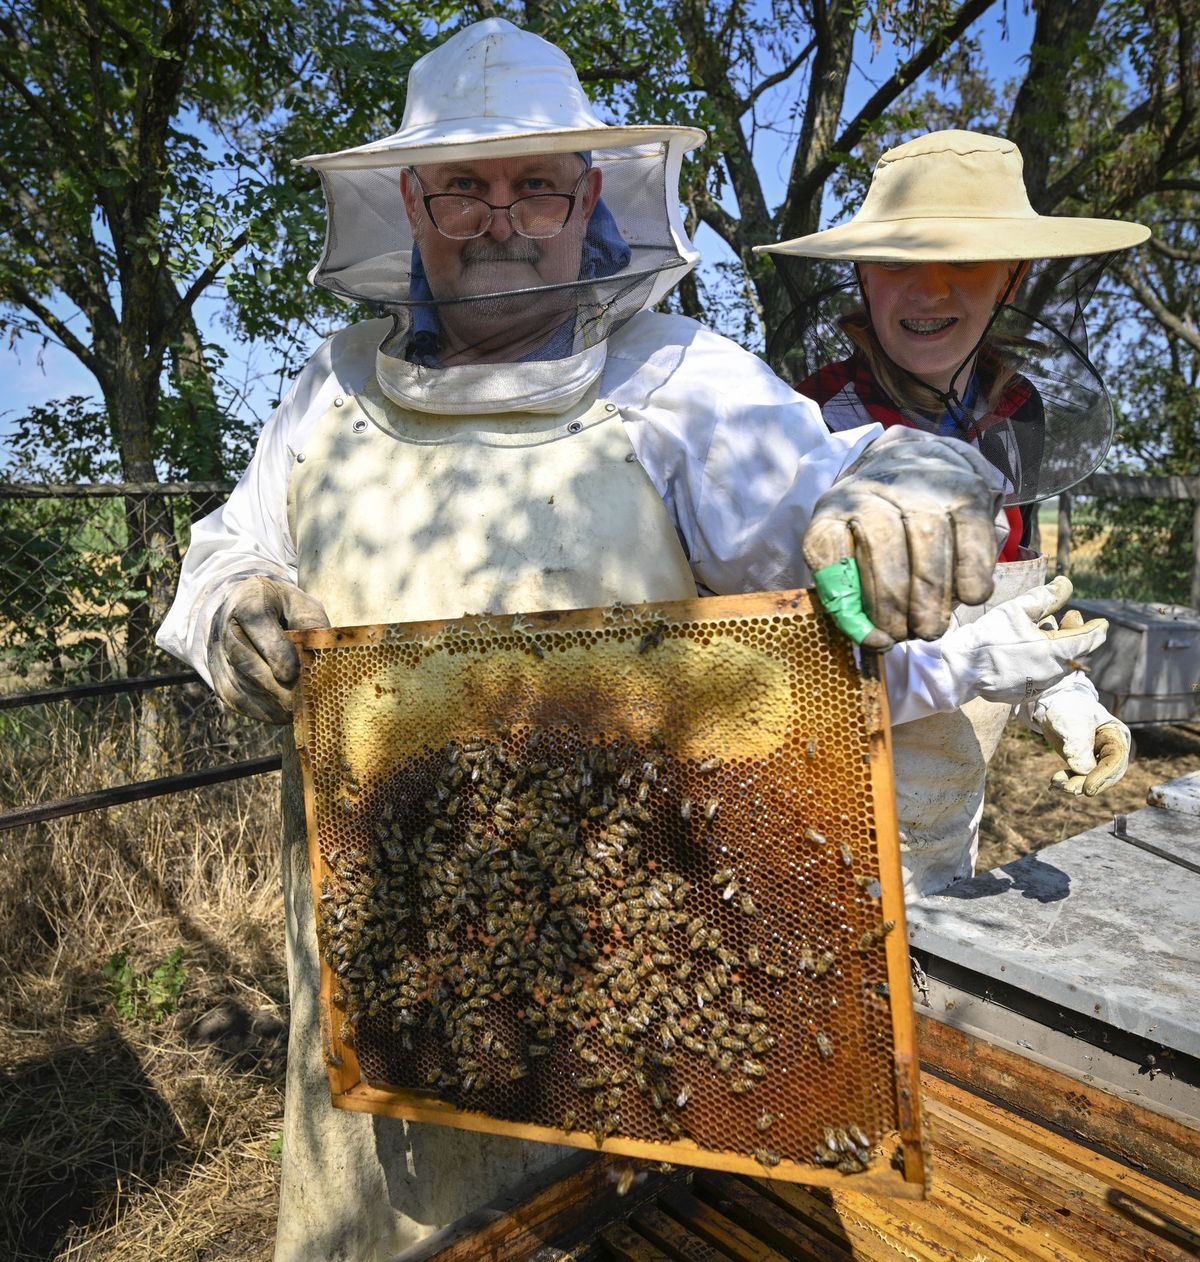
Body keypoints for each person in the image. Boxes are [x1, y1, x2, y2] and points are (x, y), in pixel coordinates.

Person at [158, 32, 1062, 1258]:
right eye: (463, 188)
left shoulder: (680, 380)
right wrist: (233, 602)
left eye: (536, 185)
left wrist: (902, 475)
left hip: (631, 1017)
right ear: (408, 203)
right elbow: (224, 548)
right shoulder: (325, 388)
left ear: (590, 200)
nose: (500, 219)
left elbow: (817, 491)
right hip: (385, 988)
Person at [757, 129, 1147, 896]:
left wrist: (1064, 696)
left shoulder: (1014, 419)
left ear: (1012, 276)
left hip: (945, 836)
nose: (930, 292)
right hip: (813, 838)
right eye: (900, 262)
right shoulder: (807, 425)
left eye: (964, 261)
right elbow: (787, 674)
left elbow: (1005, 608)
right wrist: (976, 661)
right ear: (862, 273)